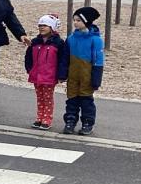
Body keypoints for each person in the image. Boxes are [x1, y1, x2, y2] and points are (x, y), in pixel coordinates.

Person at [63, 7, 104, 135]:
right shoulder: (71, 38)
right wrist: (62, 73)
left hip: (87, 76)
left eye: (78, 20)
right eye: (74, 20)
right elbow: (65, 58)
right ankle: (70, 121)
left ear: (86, 22)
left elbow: (98, 61)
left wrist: (96, 79)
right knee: (71, 100)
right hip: (73, 76)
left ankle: (87, 123)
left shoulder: (95, 40)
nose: (75, 23)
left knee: (86, 101)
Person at [25, 14, 68, 130]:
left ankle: (47, 118)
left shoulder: (58, 43)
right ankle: (39, 117)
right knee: (40, 97)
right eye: (40, 25)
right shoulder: (35, 42)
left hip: (50, 76)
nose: (42, 27)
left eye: (45, 25)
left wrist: (61, 75)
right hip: (36, 75)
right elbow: (28, 57)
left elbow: (62, 60)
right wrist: (29, 69)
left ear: (52, 27)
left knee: (48, 97)